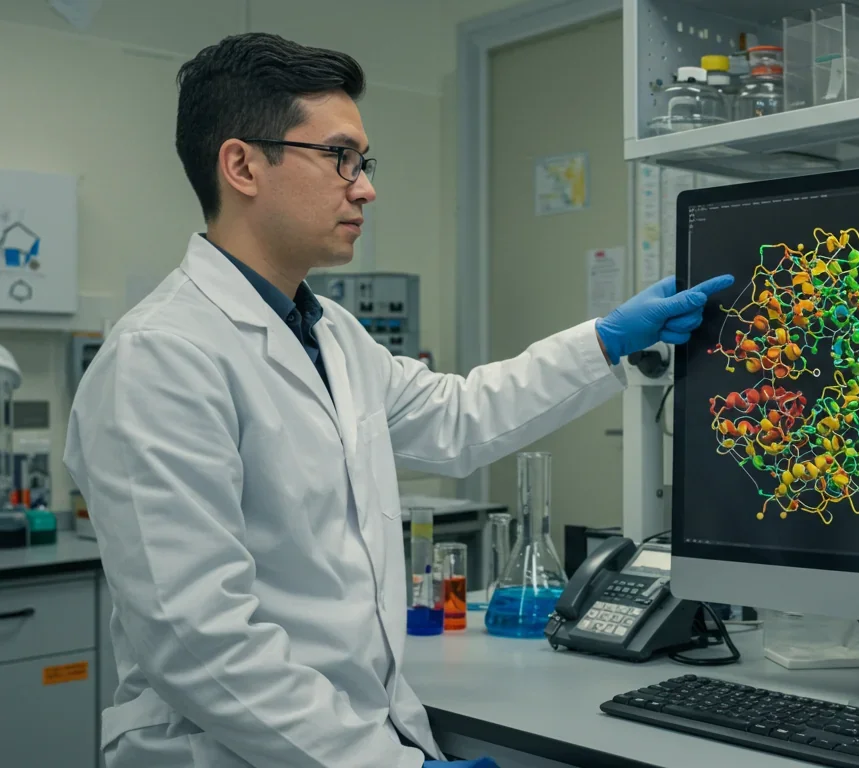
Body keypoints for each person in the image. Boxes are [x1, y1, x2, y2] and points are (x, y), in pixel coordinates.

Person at [63, 32, 732, 768]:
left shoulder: (330, 333)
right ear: (243, 164)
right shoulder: (160, 358)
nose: (366, 186)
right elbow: (199, 641)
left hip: (354, 735)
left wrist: (603, 341)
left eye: (364, 162)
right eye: (340, 158)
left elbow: (459, 417)